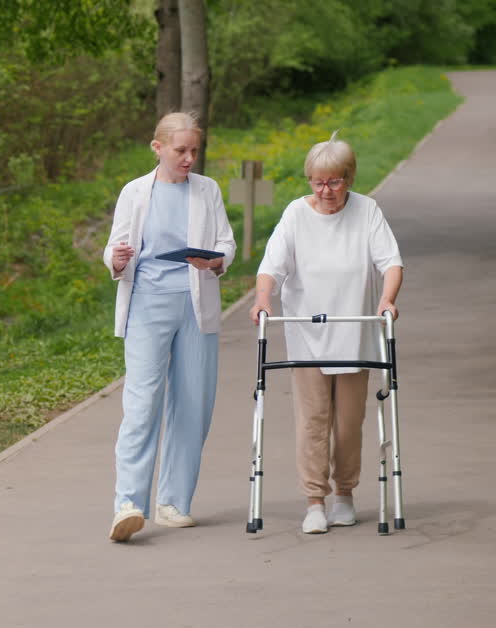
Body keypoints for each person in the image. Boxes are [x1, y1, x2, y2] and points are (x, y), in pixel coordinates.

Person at [249, 133, 404, 534]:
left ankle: (345, 494)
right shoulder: (295, 216)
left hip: (354, 334)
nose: (326, 190)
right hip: (308, 336)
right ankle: (314, 500)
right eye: (318, 181)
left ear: (349, 178)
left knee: (348, 423)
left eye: (334, 181)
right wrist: (263, 299)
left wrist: (387, 300)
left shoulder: (367, 211)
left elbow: (391, 263)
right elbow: (272, 267)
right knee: (313, 421)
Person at [102, 112, 236, 543]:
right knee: (142, 403)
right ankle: (128, 504)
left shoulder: (207, 190)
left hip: (195, 304)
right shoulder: (135, 192)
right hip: (148, 303)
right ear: (158, 148)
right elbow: (115, 248)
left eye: (194, 150)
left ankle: (173, 502)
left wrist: (217, 260)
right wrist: (116, 260)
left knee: (193, 401)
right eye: (181, 150)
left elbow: (226, 244)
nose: (189, 158)